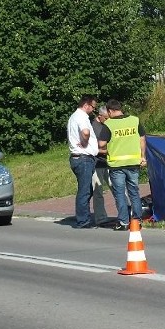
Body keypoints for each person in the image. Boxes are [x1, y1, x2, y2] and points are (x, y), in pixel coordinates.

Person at [98, 99, 146, 231]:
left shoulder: (109, 124)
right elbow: (142, 138)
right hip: (133, 163)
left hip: (117, 165)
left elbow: (101, 144)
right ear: (120, 108)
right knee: (134, 193)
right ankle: (137, 221)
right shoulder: (134, 120)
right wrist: (143, 157)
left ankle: (124, 222)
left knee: (120, 194)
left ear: (109, 111)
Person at [66, 95, 99, 229]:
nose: (93, 110)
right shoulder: (82, 117)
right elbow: (85, 132)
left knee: (86, 190)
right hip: (83, 158)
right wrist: (85, 142)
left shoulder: (74, 116)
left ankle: (83, 216)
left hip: (79, 157)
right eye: (93, 107)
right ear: (86, 105)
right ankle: (83, 220)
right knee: (85, 190)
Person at [91, 105, 110, 226]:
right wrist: (107, 151)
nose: (109, 121)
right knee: (98, 190)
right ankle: (100, 218)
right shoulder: (93, 127)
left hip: (109, 162)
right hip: (96, 162)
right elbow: (91, 148)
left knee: (117, 187)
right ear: (100, 116)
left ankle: (125, 214)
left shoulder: (108, 125)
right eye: (106, 118)